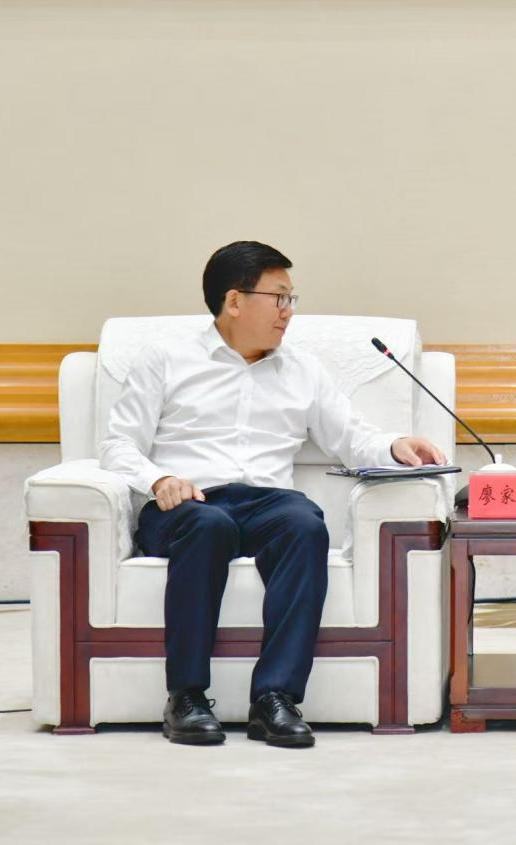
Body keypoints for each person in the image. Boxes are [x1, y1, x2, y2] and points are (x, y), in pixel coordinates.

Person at [100, 240, 445, 747]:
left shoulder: (302, 369)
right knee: (208, 525)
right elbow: (118, 444)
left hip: (265, 504)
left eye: (291, 299)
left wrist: (394, 445)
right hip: (186, 504)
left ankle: (275, 699)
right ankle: (186, 697)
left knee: (304, 523)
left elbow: (350, 437)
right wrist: (159, 480)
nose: (288, 311)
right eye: (278, 297)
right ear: (234, 301)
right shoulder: (166, 360)